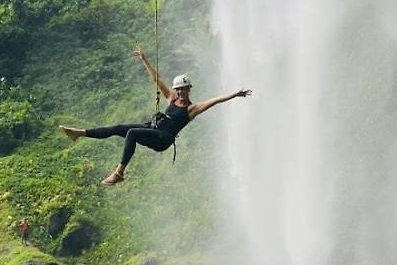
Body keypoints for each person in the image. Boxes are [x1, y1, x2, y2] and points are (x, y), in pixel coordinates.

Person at [59, 48, 252, 185]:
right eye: (179, 90)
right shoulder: (170, 98)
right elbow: (157, 79)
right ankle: (79, 133)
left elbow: (214, 101)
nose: (181, 93)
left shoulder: (191, 109)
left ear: (189, 90)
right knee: (119, 128)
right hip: (153, 129)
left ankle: (119, 173)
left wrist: (234, 94)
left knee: (132, 133)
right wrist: (144, 59)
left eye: (184, 90)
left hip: (163, 140)